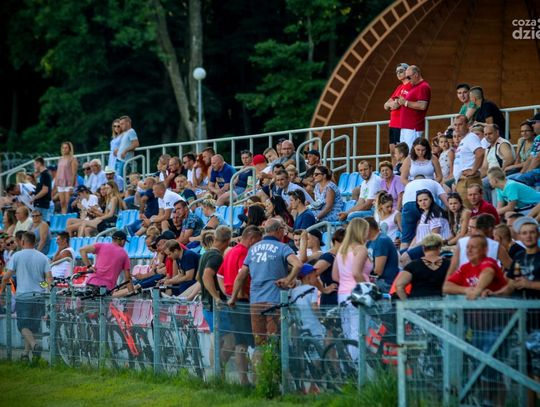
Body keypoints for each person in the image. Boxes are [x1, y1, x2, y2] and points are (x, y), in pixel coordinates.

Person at [229, 218, 303, 349]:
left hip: (255, 301)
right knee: (274, 342)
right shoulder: (282, 247)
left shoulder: (253, 249)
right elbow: (298, 264)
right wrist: (288, 280)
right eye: (283, 230)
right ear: (278, 231)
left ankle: (260, 363)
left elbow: (241, 276)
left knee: (260, 344)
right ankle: (274, 362)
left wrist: (233, 298)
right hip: (275, 301)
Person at [217, 225, 263, 385]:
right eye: (258, 241)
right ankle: (256, 381)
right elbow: (240, 277)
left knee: (240, 342)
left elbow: (219, 275)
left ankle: (244, 381)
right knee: (252, 342)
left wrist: (227, 293)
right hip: (242, 302)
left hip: (233, 300)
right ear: (251, 239)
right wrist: (238, 295)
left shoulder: (231, 252)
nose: (258, 245)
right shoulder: (244, 253)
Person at [0, 232, 52, 361]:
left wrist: (1, 289)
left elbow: (6, 276)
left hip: (23, 296)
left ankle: (34, 345)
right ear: (34, 242)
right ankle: (25, 353)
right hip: (39, 296)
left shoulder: (17, 256)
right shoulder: (43, 257)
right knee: (31, 327)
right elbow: (48, 279)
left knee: (22, 326)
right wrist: (43, 286)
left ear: (23, 241)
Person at [332, 218, 372, 358]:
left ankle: (348, 365)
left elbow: (335, 276)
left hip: (343, 294)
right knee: (359, 331)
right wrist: (367, 288)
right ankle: (357, 365)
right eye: (366, 230)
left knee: (348, 332)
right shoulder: (360, 249)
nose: (368, 233)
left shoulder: (341, 250)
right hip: (358, 294)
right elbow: (356, 273)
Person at [491, 217, 540, 299]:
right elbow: (510, 287)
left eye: (532, 232)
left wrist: (530, 284)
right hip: (519, 303)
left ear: (538, 235)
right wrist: (492, 294)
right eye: (524, 233)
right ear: (520, 236)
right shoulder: (519, 257)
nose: (528, 236)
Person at [395, 234, 450, 299]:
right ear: (440, 247)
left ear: (423, 248)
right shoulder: (449, 264)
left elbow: (399, 286)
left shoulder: (414, 265)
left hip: (418, 303)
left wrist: (407, 303)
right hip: (441, 303)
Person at [400, 176, 448, 249]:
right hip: (426, 206)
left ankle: (404, 251)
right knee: (426, 230)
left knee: (406, 240)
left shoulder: (409, 184)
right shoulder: (433, 182)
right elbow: (446, 201)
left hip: (408, 205)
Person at [452, 115, 484, 208]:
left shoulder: (471, 137)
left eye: (460, 124)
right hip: (462, 180)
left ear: (467, 125)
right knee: (466, 211)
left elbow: (480, 153)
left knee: (470, 210)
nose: (457, 127)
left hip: (468, 180)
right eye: (455, 125)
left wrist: (473, 170)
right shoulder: (464, 140)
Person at [397, 65, 431, 149]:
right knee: (403, 153)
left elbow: (422, 105)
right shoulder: (414, 87)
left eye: (409, 77)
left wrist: (405, 102)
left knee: (410, 152)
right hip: (406, 126)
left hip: (413, 127)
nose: (408, 80)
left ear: (416, 74)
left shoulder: (423, 86)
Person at [384, 63, 411, 165]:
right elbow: (386, 105)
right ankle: (395, 170)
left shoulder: (411, 86)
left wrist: (393, 104)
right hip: (393, 123)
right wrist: (392, 104)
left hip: (401, 123)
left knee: (401, 152)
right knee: (393, 152)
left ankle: (402, 170)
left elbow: (397, 104)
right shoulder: (399, 87)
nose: (398, 74)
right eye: (397, 72)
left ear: (407, 71)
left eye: (401, 71)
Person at [480, 124, 514, 202]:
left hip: (502, 174)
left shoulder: (502, 144)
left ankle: (489, 207)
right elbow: (484, 168)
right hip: (491, 175)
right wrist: (476, 179)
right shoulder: (488, 148)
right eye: (485, 134)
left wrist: (499, 172)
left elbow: (509, 159)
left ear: (497, 132)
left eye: (490, 133)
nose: (487, 136)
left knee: (483, 183)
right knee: (475, 184)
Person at [312, 228, 345, 306]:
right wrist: (324, 289)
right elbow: (311, 274)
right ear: (336, 242)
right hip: (331, 300)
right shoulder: (328, 257)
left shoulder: (340, 257)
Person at [365, 217, 399, 293]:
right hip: (378, 280)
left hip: (386, 282)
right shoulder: (369, 242)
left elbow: (378, 271)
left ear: (368, 229)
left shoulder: (382, 241)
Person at [508, 113, 540, 186]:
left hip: (536, 171)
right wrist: (522, 173)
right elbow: (530, 158)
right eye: (522, 131)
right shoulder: (538, 138)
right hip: (533, 171)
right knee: (509, 180)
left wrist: (526, 175)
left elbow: (537, 159)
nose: (533, 125)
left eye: (534, 122)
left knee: (513, 182)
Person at [56, 141, 78, 214]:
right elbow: (58, 172)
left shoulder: (72, 159)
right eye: (63, 148)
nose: (64, 149)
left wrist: (72, 186)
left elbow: (74, 173)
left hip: (69, 183)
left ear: (69, 149)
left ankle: (69, 216)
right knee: (62, 203)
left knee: (68, 202)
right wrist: (56, 183)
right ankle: (64, 217)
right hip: (60, 183)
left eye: (66, 148)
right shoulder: (60, 159)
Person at [30, 157, 53, 222]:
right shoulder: (42, 175)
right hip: (40, 203)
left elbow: (45, 190)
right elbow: (40, 189)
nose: (34, 166)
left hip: (42, 203)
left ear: (39, 163)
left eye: (35, 164)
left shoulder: (45, 175)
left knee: (41, 223)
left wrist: (34, 198)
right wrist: (34, 192)